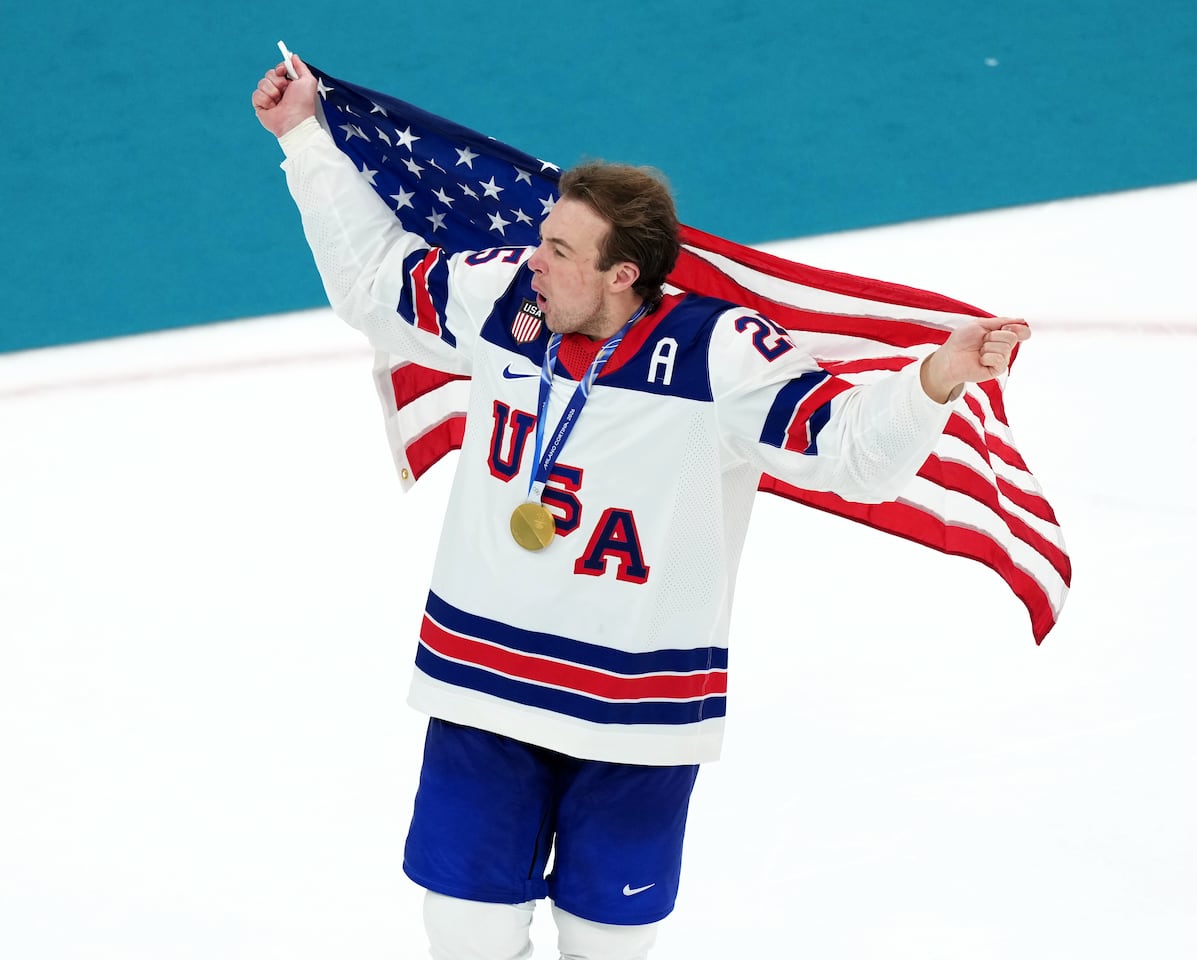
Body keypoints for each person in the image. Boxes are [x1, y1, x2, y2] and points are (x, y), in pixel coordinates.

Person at [252, 51, 1028, 960]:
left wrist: (937, 376)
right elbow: (375, 290)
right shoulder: (507, 296)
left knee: (606, 945)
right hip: (484, 677)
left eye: (561, 250)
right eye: (543, 237)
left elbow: (854, 458)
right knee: (464, 933)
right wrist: (305, 138)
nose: (534, 258)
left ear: (625, 275)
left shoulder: (723, 356)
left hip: (636, 706)